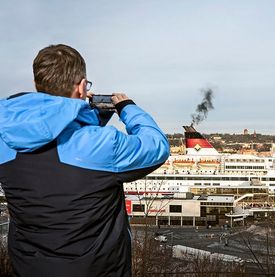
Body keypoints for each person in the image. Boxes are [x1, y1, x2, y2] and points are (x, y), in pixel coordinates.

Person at [0, 44, 169, 277]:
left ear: (38, 84)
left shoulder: (5, 141)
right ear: (81, 86)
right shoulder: (99, 146)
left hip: (28, 268)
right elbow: (156, 146)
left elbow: (54, 141)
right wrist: (127, 108)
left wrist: (84, 115)